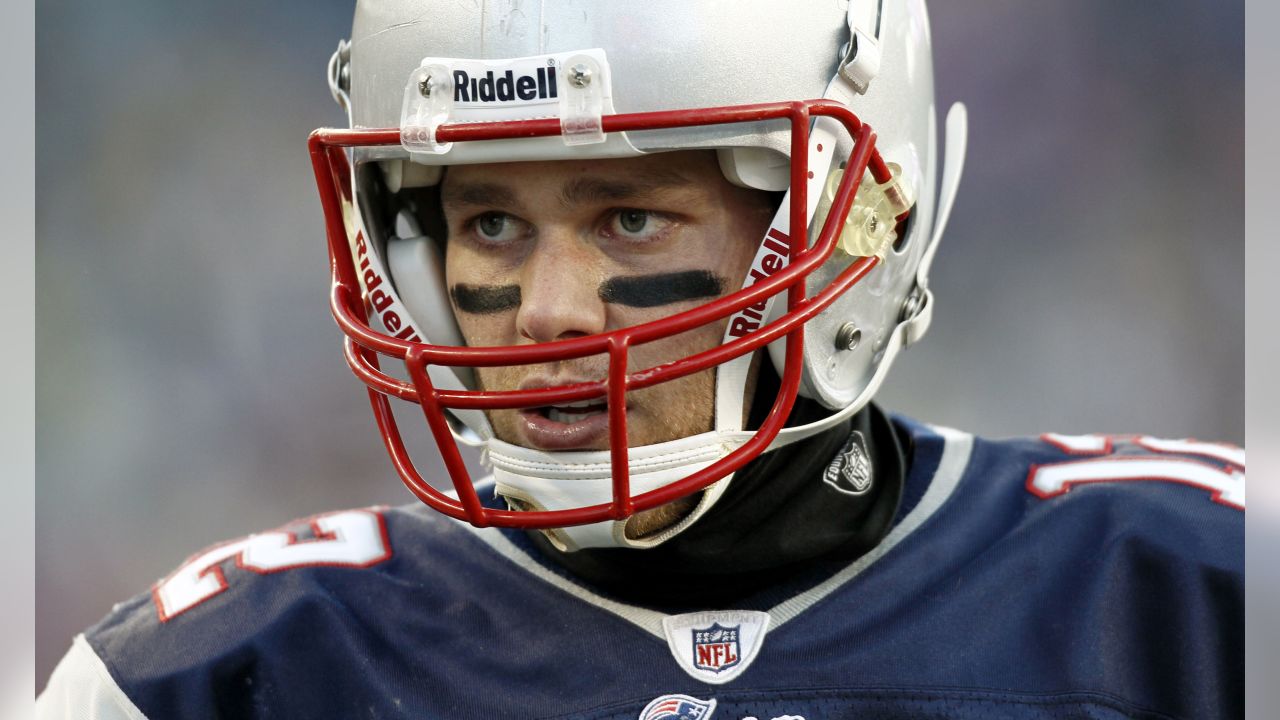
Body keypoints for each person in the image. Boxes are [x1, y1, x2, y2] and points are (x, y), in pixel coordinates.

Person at [37, 1, 1244, 718]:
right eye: (492, 223)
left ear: (853, 227)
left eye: (629, 217)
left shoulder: (1193, 595)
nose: (546, 314)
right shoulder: (220, 673)